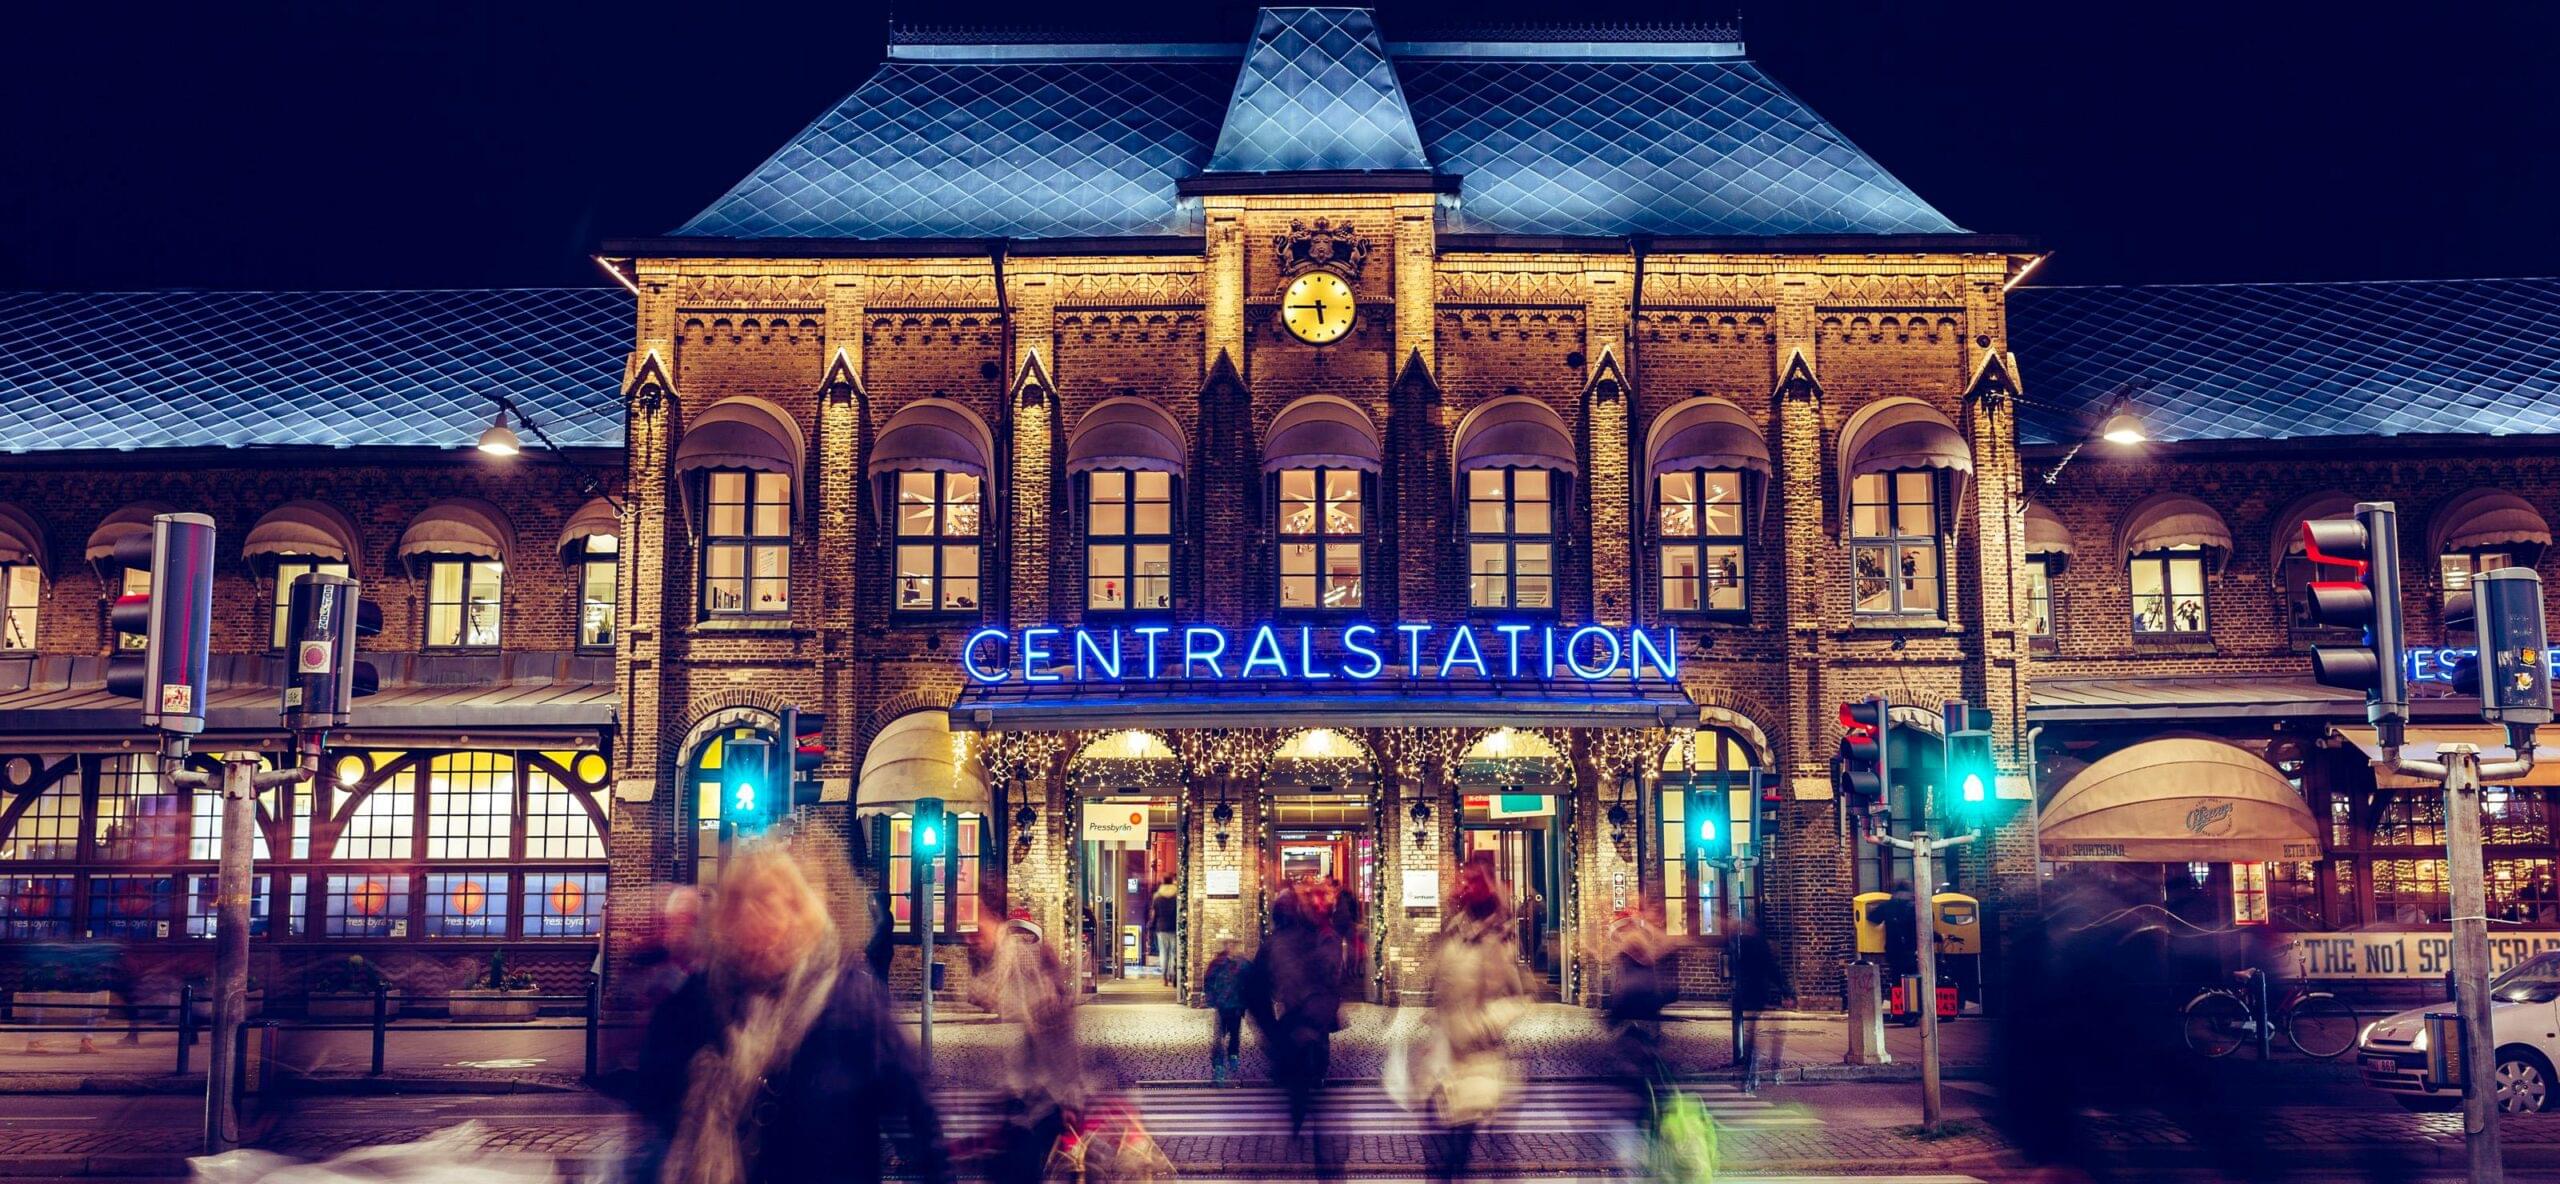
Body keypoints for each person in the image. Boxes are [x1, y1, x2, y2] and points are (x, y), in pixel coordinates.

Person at [630, 845, 947, 1184]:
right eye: (737, 901)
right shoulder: (696, 999)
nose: (749, 914)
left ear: (797, 911)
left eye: (765, 899)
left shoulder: (849, 1000)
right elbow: (654, 1096)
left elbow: (911, 1104)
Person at [1427, 852, 1529, 1184]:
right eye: (1463, 880)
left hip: (1477, 1063)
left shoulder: (1499, 939)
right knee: (1439, 1156)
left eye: (1472, 881)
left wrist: (1478, 1026)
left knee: (1455, 1154)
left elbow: (1518, 997)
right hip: (1442, 1063)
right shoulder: (1454, 931)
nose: (1464, 886)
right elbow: (1442, 984)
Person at [969, 917, 1084, 1184]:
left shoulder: (1021, 970)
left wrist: (1068, 1098)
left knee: (1022, 1169)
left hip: (1033, 1105)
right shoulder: (1006, 968)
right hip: (1018, 1105)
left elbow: (1053, 1044)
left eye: (978, 929)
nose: (971, 939)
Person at [1247, 880, 1349, 1179]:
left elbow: (1328, 988)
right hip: (1302, 1040)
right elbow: (1257, 989)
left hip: (1305, 1041)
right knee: (1305, 1108)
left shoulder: (1321, 937)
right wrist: (1285, 1030)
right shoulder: (1300, 940)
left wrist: (1276, 1031)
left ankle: (1305, 1156)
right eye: (1312, 898)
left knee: (1305, 1106)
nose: (1320, 904)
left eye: (1323, 898)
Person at [1724, 916, 1794, 1093]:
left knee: (1752, 1035)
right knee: (1763, 1034)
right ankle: (1766, 1071)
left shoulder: (1739, 944)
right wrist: (1786, 990)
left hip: (1745, 993)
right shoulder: (1758, 944)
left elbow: (1735, 968)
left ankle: (1751, 1075)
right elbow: (1771, 968)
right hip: (1758, 993)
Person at [1200, 934, 1248, 1086]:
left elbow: (1207, 982)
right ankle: (1232, 1058)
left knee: (1220, 1037)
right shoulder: (1240, 964)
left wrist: (1210, 999)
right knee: (1232, 1034)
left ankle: (1221, 1065)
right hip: (1233, 1006)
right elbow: (1246, 985)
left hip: (1223, 1006)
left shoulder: (1216, 963)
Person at [1148, 881, 1180, 970]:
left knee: (1163, 952)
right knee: (1173, 952)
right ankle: (1172, 974)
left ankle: (1164, 976)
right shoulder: (1176, 897)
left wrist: (1152, 924)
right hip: (1174, 927)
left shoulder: (1157, 897)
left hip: (1161, 928)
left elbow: (1154, 914)